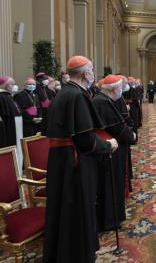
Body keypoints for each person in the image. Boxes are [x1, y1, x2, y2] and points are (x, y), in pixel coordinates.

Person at [43, 55, 119, 263]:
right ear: (86, 74)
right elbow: (86, 140)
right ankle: (77, 253)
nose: (93, 73)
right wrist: (107, 145)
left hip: (61, 159)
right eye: (92, 69)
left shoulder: (64, 92)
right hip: (74, 162)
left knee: (64, 207)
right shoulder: (77, 96)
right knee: (77, 206)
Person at [92, 75, 136, 232]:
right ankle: (110, 219)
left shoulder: (102, 99)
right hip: (110, 150)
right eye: (119, 88)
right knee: (110, 185)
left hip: (109, 147)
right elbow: (117, 127)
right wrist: (131, 136)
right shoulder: (102, 102)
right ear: (113, 89)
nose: (121, 91)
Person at [0, 76, 21, 148]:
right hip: (8, 128)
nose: (14, 86)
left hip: (15, 126)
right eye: (12, 84)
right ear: (3, 84)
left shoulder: (8, 96)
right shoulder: (1, 96)